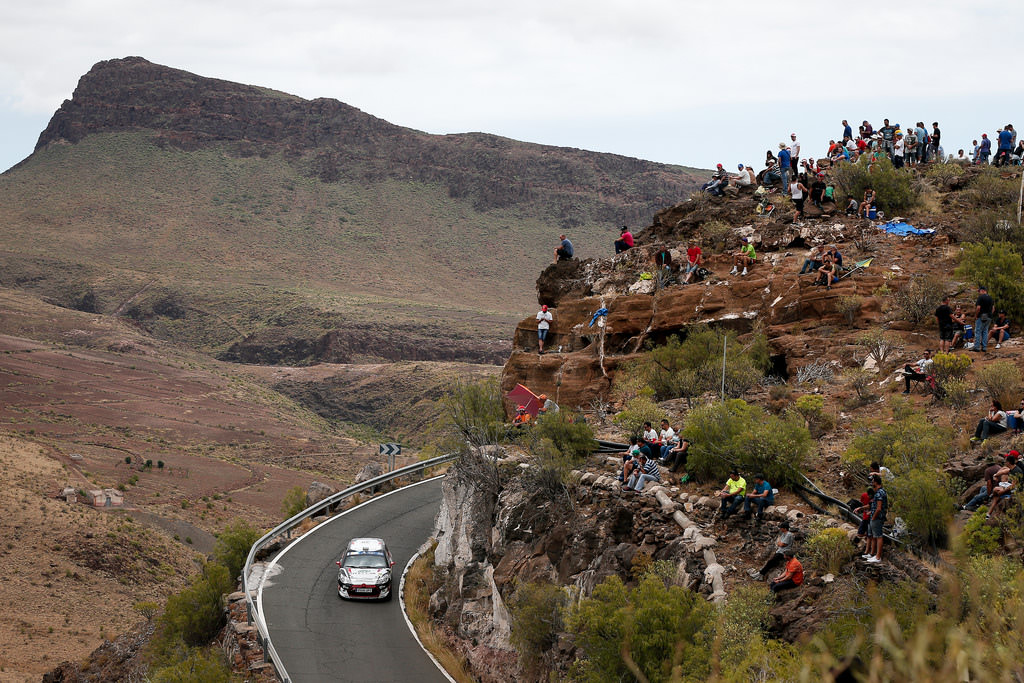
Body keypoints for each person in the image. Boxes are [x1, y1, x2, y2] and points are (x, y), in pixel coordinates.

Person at [863, 474, 887, 564]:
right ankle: (876, 555)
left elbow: (879, 508)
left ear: (876, 482)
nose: (871, 483)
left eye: (872, 481)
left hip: (877, 517)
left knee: (878, 536)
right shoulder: (880, 491)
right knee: (876, 536)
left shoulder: (879, 493)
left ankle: (878, 557)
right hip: (877, 517)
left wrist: (873, 517)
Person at [974, 285, 995, 352]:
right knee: (985, 331)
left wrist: (976, 315)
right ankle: (984, 347)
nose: (979, 293)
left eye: (979, 291)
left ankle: (977, 347)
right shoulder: (990, 298)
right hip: (989, 317)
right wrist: (990, 314)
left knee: (978, 331)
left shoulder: (981, 297)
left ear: (982, 290)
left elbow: (978, 308)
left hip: (982, 316)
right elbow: (993, 308)